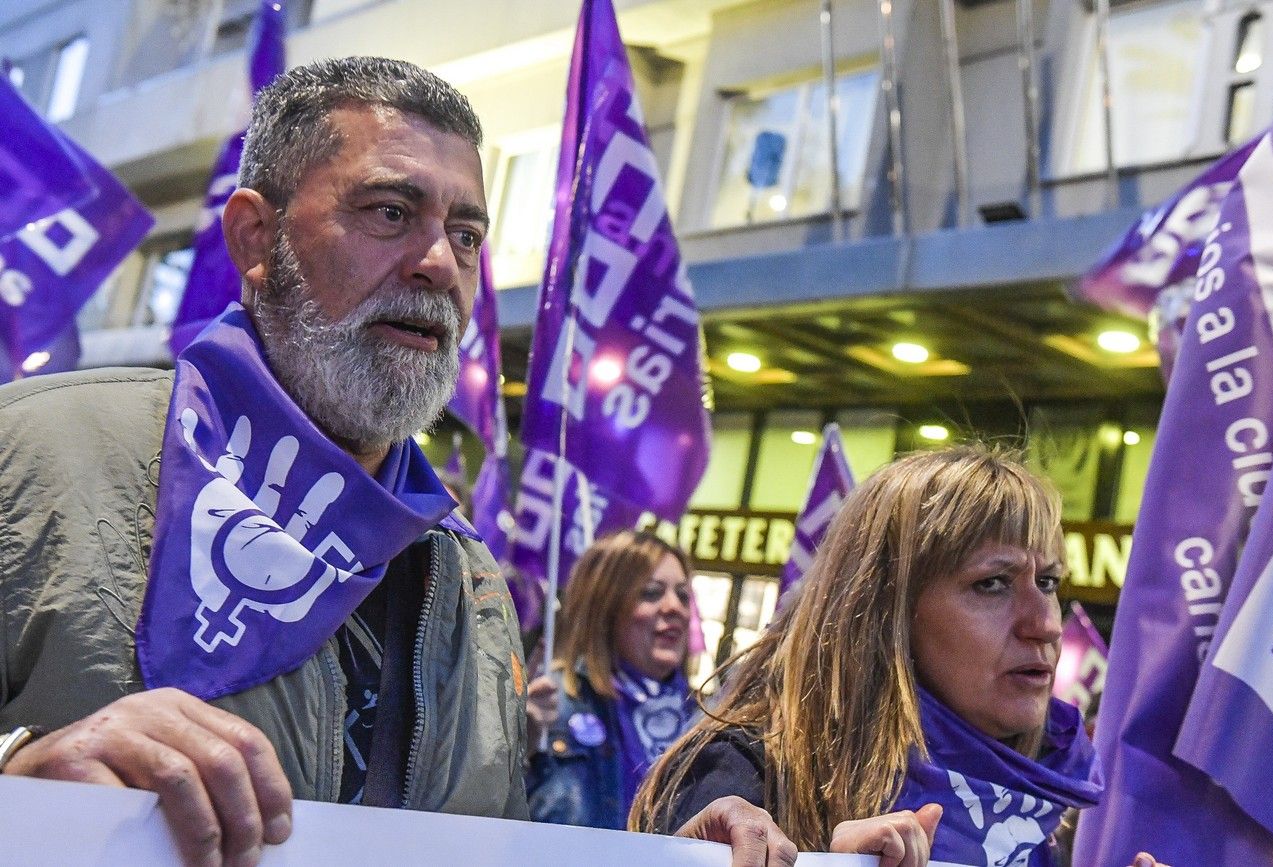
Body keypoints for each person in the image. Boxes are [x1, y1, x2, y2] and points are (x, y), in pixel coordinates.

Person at [0, 56, 808, 867]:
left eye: (465, 235)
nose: (438, 265)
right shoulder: (32, 457)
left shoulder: (469, 581)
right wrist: (16, 774)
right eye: (390, 212)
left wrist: (668, 857)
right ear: (256, 236)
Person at [632, 446, 1164, 867]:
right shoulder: (745, 775)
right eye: (993, 584)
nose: (1045, 624)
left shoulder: (1044, 805)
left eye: (1047, 581)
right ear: (888, 613)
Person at [526, 531, 696, 829]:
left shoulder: (706, 717)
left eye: (683, 595)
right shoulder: (552, 703)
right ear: (605, 606)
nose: (675, 607)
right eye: (652, 592)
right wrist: (514, 744)